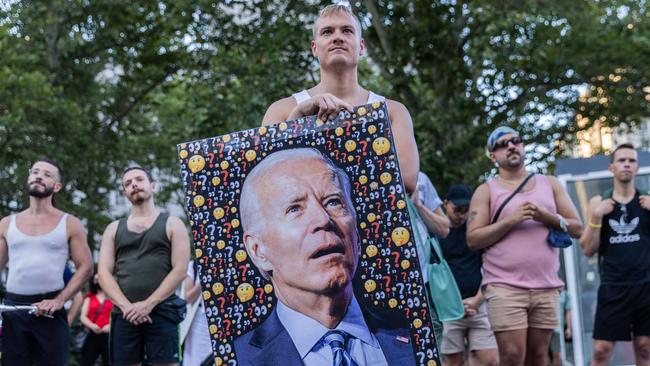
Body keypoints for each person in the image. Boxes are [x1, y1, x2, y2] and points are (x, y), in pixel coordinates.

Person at [236, 148, 415, 366]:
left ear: (356, 236)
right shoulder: (237, 358)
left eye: (333, 202)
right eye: (294, 209)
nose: (323, 219)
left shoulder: (415, 333)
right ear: (257, 250)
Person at [261, 3, 419, 194]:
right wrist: (297, 121)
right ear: (314, 48)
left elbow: (407, 180)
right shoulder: (282, 110)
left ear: (361, 46)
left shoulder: (393, 111)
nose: (337, 37)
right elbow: (267, 183)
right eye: (327, 32)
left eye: (347, 30)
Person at [466, 127, 583, 366]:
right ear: (493, 156)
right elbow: (473, 239)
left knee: (540, 358)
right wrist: (512, 219)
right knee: (511, 358)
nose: (511, 146)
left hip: (546, 286)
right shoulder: (486, 190)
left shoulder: (549, 183)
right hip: (504, 287)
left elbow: (577, 228)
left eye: (516, 141)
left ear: (523, 146)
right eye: (502, 144)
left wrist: (546, 217)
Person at [0, 158, 93, 365]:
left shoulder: (70, 223)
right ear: (28, 178)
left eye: (47, 174)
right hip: (13, 310)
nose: (39, 176)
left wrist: (60, 300)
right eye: (35, 172)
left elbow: (86, 267)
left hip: (50, 310)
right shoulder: (7, 224)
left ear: (57, 186)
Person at [98, 166, 190, 366]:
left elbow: (180, 269)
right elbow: (104, 273)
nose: (134, 185)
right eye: (128, 183)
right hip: (124, 314)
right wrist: (127, 307)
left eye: (139, 179)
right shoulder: (113, 229)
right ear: (125, 193)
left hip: (162, 309)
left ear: (154, 186)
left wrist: (148, 305)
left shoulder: (173, 224)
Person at [578, 143, 650, 366]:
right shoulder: (598, 202)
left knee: (645, 348)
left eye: (631, 160)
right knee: (601, 350)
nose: (627, 164)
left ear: (637, 167)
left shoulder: (647, 201)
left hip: (646, 285)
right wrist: (596, 218)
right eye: (621, 160)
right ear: (611, 168)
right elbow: (587, 248)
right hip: (613, 286)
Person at [438, 183, 498, 366]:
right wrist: (454, 305)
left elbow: (490, 268)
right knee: (453, 362)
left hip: (477, 304)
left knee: (490, 360)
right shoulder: (437, 232)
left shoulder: (475, 232)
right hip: (449, 309)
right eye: (458, 209)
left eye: (467, 210)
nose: (463, 215)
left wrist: (477, 300)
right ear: (445, 204)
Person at [409, 172, 449, 342]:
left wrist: (418, 206)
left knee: (432, 340)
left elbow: (444, 228)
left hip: (424, 282)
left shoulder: (420, 179)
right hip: (386, 282)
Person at [180, 260, 212, 366]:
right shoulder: (193, 265)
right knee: (196, 359)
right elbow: (187, 297)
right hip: (199, 321)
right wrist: (203, 280)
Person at [79, 271, 113, 366]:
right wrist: (92, 326)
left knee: (110, 362)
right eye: (96, 279)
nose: (98, 282)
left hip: (108, 335)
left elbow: (116, 316)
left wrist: (110, 326)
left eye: (100, 279)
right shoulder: (89, 297)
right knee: (86, 361)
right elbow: (83, 316)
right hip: (93, 334)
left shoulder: (112, 297)